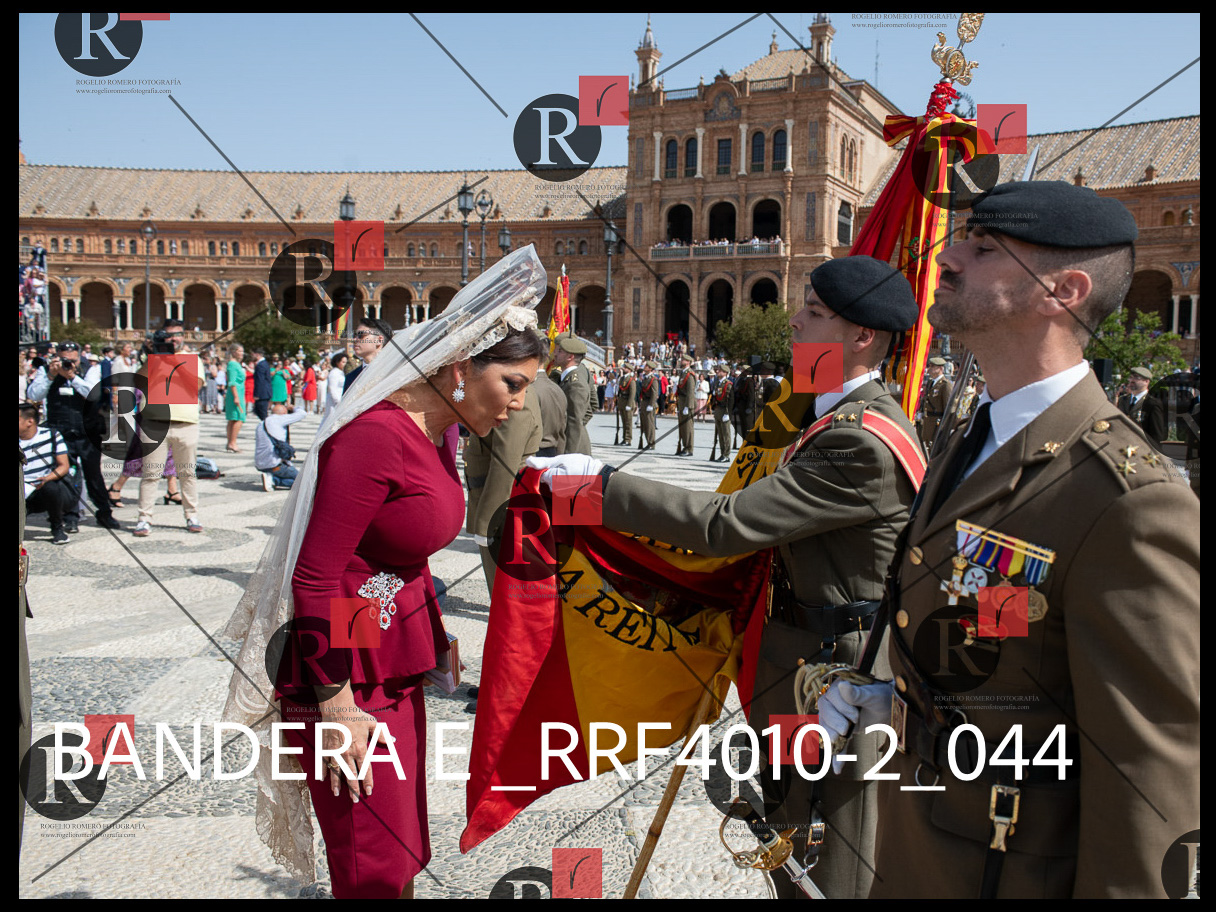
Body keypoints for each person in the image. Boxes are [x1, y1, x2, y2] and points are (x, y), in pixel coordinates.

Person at [820, 181, 1200, 898]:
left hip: (1007, 871)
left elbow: (1148, 778)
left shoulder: (1129, 501)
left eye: (985, 247)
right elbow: (1005, 639)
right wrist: (898, 702)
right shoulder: (975, 434)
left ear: (1063, 291)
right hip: (919, 849)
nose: (948, 258)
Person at [529, 255, 924, 899]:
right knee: (791, 828)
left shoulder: (858, 439)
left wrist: (593, 488)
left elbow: (725, 525)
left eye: (814, 313)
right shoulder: (827, 415)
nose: (795, 322)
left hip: (834, 678)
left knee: (826, 850)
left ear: (862, 337)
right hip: (800, 661)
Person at [220, 247, 548, 898]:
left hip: (387, 662)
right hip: (344, 678)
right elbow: (316, 577)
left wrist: (429, 635)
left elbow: (397, 554)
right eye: (513, 384)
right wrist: (337, 706)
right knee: (371, 863)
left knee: (401, 853)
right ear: (461, 367)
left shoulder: (439, 431)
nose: (518, 404)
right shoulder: (374, 437)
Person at [25, 340, 121, 531]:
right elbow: (34, 395)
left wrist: (72, 376)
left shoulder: (90, 368)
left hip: (87, 432)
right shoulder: (47, 370)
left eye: (72, 360)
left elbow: (93, 394)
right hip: (60, 431)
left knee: (93, 475)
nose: (68, 363)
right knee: (66, 475)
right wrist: (51, 375)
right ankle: (70, 516)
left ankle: (104, 513)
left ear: (79, 357)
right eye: (64, 359)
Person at [133, 319, 205, 536]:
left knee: (187, 473)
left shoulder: (193, 359)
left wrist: (173, 360)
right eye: (169, 335)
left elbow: (195, 385)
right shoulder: (153, 358)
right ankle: (144, 518)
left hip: (186, 423)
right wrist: (152, 357)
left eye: (177, 334)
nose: (173, 339)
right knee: (151, 474)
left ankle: (192, 515)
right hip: (154, 423)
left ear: (183, 336)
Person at [19, 401, 75, 544]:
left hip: (42, 487)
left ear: (30, 421)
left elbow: (64, 466)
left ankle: (57, 528)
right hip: (22, 488)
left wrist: (46, 478)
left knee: (51, 488)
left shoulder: (51, 435)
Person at [553, 335, 595, 456]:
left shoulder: (575, 384)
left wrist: (568, 455)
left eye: (560, 351)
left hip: (573, 448)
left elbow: (574, 421)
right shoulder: (566, 378)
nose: (555, 353)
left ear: (570, 357)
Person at [255, 401, 306, 491]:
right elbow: (302, 413)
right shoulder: (279, 419)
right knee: (304, 482)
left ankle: (271, 478)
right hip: (276, 465)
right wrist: (292, 408)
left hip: (261, 463)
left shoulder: (261, 424)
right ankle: (274, 480)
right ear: (284, 413)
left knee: (298, 481)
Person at [342, 317, 394, 397]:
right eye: (355, 335)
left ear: (379, 340)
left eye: (361, 335)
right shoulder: (351, 376)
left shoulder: (393, 372)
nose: (355, 339)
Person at [1116, 366, 1167, 447]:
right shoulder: (1123, 400)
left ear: (1146, 381)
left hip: (1141, 448)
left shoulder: (1152, 403)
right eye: (1131, 377)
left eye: (1136, 378)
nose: (1132, 380)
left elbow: (1157, 434)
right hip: (1120, 445)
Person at [919, 356, 953, 449]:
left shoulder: (945, 385)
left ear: (940, 368)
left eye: (933, 366)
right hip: (928, 422)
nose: (929, 368)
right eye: (929, 366)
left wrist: (945, 426)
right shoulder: (931, 383)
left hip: (937, 424)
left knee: (935, 448)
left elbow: (948, 407)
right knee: (926, 447)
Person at [710, 363, 734, 462]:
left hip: (725, 411)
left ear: (725, 373)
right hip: (718, 410)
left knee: (726, 434)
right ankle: (722, 453)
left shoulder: (728, 384)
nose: (717, 372)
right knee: (720, 434)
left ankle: (726, 455)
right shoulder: (718, 383)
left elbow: (730, 400)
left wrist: (728, 413)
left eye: (720, 370)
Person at [224, 344, 246, 452]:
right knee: (239, 418)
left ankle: (230, 443)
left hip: (239, 392)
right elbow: (232, 382)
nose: (242, 353)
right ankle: (232, 442)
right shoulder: (232, 364)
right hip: (235, 393)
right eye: (240, 351)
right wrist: (236, 397)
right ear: (234, 352)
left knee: (233, 419)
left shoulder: (236, 364)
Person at [674, 355, 697, 456]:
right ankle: (684, 446)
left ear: (688, 362)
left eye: (683, 360)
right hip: (682, 402)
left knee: (688, 427)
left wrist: (688, 406)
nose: (681, 361)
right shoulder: (683, 373)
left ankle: (689, 448)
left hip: (687, 403)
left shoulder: (689, 374)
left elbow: (690, 391)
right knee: (682, 427)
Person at [637, 360, 660, 450]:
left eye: (646, 366)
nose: (644, 367)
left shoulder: (653, 379)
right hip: (644, 402)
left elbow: (654, 393)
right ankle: (648, 441)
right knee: (644, 424)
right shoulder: (645, 378)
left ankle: (651, 443)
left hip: (649, 403)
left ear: (650, 369)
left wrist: (651, 404)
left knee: (649, 424)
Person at [616, 362, 637, 446]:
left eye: (625, 368)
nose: (623, 369)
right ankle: (624, 438)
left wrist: (629, 404)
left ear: (629, 370)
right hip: (622, 402)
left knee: (628, 422)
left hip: (628, 402)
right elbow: (619, 391)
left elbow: (632, 393)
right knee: (624, 422)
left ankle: (628, 439)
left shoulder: (631, 380)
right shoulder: (622, 378)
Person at [252, 348, 273, 421]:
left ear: (257, 354)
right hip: (264, 392)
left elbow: (260, 380)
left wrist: (257, 394)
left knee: (262, 413)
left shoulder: (261, 365)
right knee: (258, 411)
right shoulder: (264, 363)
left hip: (262, 393)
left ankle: (268, 426)